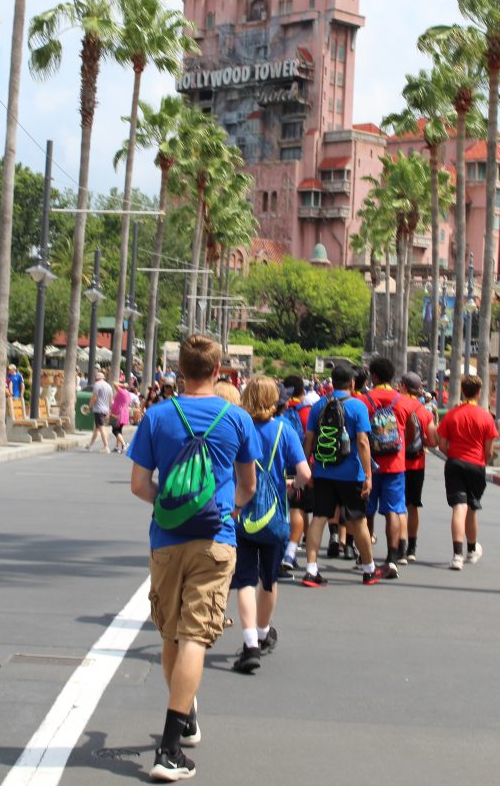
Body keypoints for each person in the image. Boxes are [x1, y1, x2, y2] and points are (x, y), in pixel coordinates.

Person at [129, 334, 259, 781]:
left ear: (179, 369)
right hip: (216, 538)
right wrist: (232, 509)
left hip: (166, 540)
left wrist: (171, 505)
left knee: (170, 632)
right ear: (219, 368)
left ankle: (184, 717)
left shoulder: (158, 415)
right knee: (194, 638)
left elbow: (139, 484)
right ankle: (169, 749)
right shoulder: (236, 418)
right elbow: (249, 486)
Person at [232, 376, 310, 673]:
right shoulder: (284, 429)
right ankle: (264, 633)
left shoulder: (239, 427)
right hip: (275, 516)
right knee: (269, 578)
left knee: (244, 580)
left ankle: (249, 641)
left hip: (241, 514)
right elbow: (304, 474)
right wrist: (289, 485)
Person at [302, 362, 379, 587]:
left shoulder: (318, 406)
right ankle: (369, 569)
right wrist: (368, 475)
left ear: (331, 382)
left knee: (319, 518)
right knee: (358, 520)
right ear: (352, 383)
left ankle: (311, 569)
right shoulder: (357, 407)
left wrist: (306, 468)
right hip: (351, 473)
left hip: (323, 470)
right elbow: (363, 443)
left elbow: (309, 440)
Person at [360, 356, 415, 579]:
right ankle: (392, 558)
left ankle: (367, 557)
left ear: (373, 376)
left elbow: (360, 434)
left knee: (368, 511)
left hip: (369, 466)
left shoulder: (366, 400)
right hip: (395, 464)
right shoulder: (402, 400)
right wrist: (403, 446)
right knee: (393, 509)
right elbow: (412, 430)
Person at [437, 374, 499, 570]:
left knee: (459, 507)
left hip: (454, 463)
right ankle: (471, 550)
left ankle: (457, 555)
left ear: (463, 391)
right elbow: (489, 450)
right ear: (479, 393)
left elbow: (441, 444)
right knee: (472, 507)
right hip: (476, 465)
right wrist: (481, 461)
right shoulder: (486, 417)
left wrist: (453, 455)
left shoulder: (452, 414)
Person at [397, 372, 438, 563]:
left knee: (399, 507)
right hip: (417, 464)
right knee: (413, 506)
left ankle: (400, 547)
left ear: (404, 386)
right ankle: (412, 548)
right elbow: (432, 441)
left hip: (397, 463)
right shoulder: (425, 412)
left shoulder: (397, 406)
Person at [279, 374, 313, 576]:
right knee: (298, 509)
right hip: (299, 466)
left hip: (278, 465)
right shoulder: (306, 412)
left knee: (283, 508)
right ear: (302, 391)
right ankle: (289, 553)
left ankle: (284, 548)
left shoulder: (279, 410)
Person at [84, 371, 114, 453]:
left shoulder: (97, 385)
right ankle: (90, 445)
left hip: (98, 409)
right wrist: (109, 410)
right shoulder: (109, 386)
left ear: (96, 378)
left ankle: (106, 447)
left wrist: (89, 407)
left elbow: (94, 397)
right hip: (105, 409)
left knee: (101, 427)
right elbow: (111, 401)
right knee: (97, 428)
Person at [110, 380, 132, 454]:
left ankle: (124, 444)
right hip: (124, 413)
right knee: (119, 431)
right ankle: (118, 447)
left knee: (115, 430)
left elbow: (114, 383)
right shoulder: (128, 394)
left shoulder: (122, 392)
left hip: (119, 413)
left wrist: (122, 384)